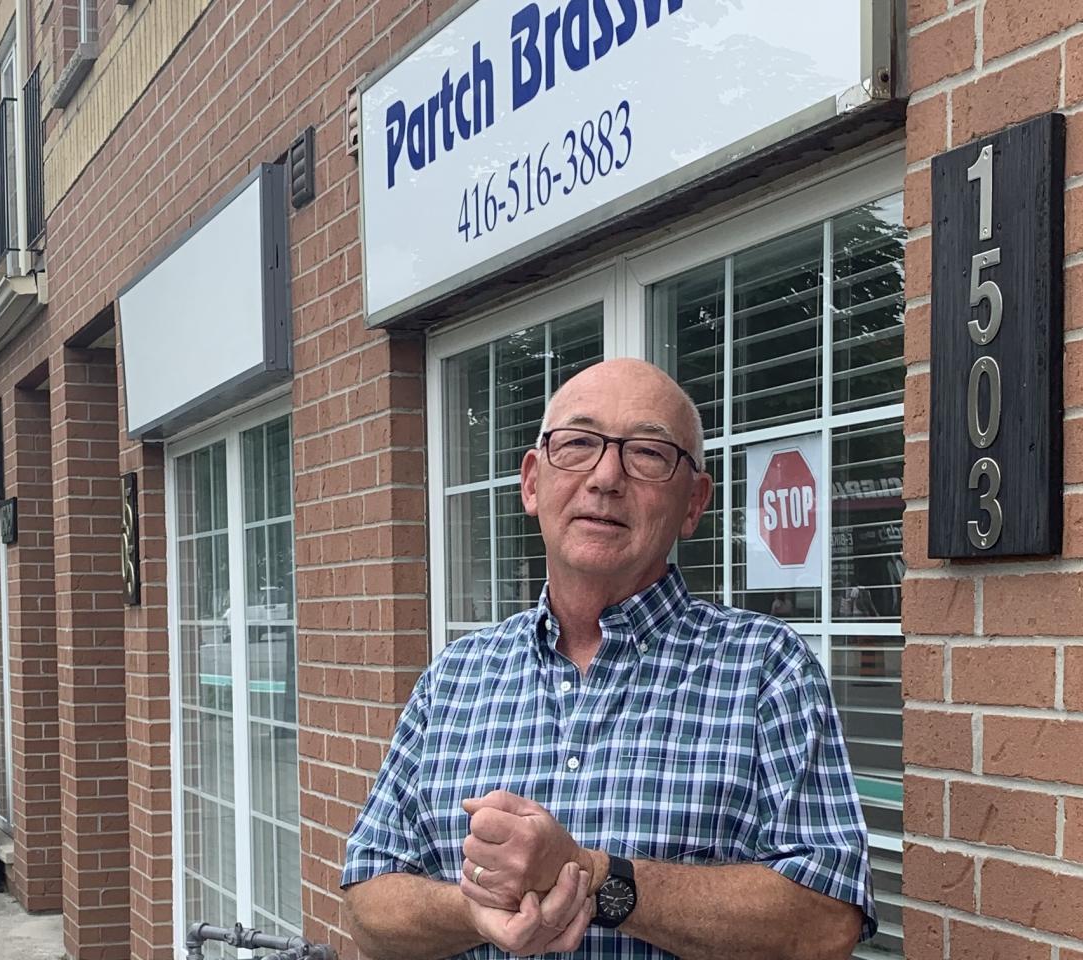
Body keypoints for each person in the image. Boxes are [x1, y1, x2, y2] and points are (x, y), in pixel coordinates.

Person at [341, 359, 873, 960]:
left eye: (647, 453)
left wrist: (595, 879)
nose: (606, 476)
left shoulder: (768, 670)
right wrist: (474, 907)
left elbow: (828, 921)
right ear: (533, 482)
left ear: (694, 502)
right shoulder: (455, 678)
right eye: (578, 443)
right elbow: (366, 906)